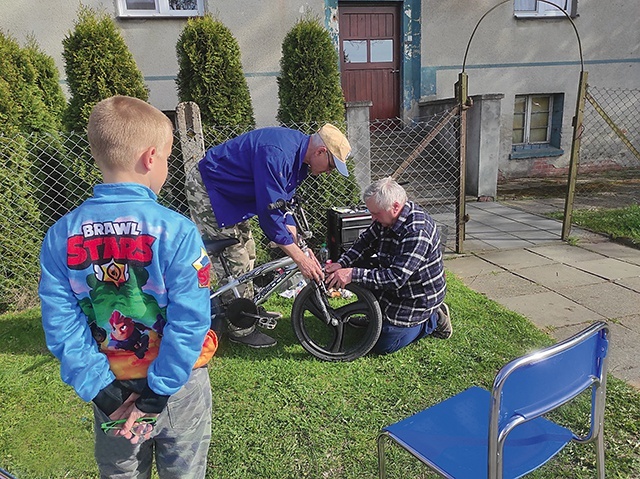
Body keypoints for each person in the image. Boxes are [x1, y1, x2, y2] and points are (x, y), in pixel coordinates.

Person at [38, 95, 218, 479]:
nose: (166, 167)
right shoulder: (178, 231)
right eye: (168, 158)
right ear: (150, 157)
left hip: (110, 390)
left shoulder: (60, 235)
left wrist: (102, 391)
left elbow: (61, 324)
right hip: (179, 390)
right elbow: (191, 320)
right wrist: (157, 393)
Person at [186, 123, 351, 349]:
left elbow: (283, 203)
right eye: (331, 165)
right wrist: (300, 259)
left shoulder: (300, 158)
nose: (329, 172)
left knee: (249, 251)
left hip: (234, 192)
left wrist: (299, 244)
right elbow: (270, 215)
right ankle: (241, 328)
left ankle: (247, 307)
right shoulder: (279, 154)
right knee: (234, 259)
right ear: (321, 152)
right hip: (210, 188)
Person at [325, 177, 451, 355]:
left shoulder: (417, 231)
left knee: (383, 345)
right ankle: (375, 315)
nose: (372, 217)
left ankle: (433, 319)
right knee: (359, 264)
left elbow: (396, 278)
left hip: (415, 298)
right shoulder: (385, 218)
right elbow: (364, 243)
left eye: (376, 213)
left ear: (396, 207)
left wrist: (352, 274)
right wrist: (342, 263)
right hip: (396, 283)